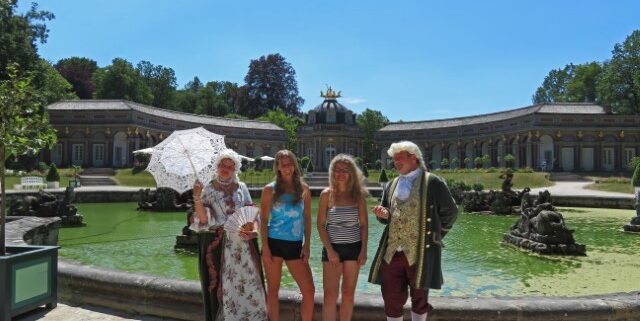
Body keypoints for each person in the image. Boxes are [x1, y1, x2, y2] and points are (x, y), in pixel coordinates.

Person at [368, 141, 458, 321]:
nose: (396, 162)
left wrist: (435, 235)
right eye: (394, 159)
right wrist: (383, 214)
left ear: (413, 157)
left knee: (419, 298)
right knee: (391, 297)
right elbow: (386, 214)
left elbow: (451, 211)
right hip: (391, 252)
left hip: (420, 252)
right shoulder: (391, 185)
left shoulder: (432, 182)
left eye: (400, 158)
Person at [191, 149, 267, 321]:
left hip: (243, 247)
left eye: (230, 167)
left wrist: (254, 230)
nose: (225, 169)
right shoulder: (208, 188)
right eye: (223, 166)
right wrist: (197, 197)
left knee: (248, 286)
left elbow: (251, 212)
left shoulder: (242, 187)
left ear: (235, 169)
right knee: (225, 287)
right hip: (220, 246)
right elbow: (204, 220)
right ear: (217, 167)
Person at [260, 149, 315, 321]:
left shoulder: (304, 188)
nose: (287, 167)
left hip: (295, 245)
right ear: (277, 167)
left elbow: (307, 218)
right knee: (273, 289)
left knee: (309, 290)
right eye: (283, 164)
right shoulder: (270, 189)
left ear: (294, 165)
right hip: (274, 242)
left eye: (290, 163)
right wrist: (266, 248)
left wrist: (307, 245)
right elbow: (263, 219)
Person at [317, 154, 369, 321]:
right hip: (333, 249)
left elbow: (363, 225)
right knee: (330, 296)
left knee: (348, 294)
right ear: (332, 172)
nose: (341, 173)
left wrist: (363, 250)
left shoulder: (358, 195)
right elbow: (320, 225)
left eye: (345, 170)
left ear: (352, 173)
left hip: (354, 249)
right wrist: (330, 251)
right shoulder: (327, 195)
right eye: (337, 170)